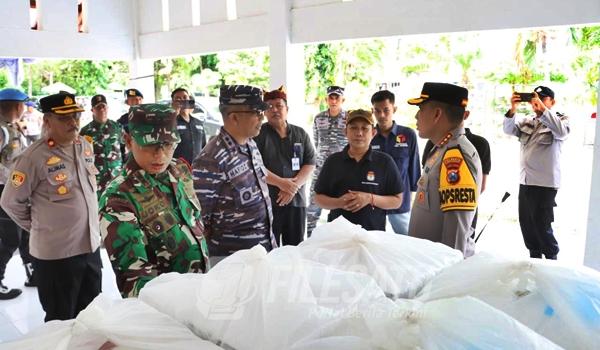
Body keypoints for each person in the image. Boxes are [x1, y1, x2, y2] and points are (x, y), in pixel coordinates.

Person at [0, 92, 102, 321]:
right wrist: (38, 226)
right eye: (65, 119)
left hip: (90, 248)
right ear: (47, 121)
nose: (73, 122)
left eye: (75, 116)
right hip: (57, 255)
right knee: (61, 320)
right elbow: (9, 201)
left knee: (93, 318)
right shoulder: (32, 158)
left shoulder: (85, 146)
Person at [99, 104, 209, 298]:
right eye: (149, 145)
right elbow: (134, 278)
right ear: (128, 141)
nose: (160, 155)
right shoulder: (119, 197)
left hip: (201, 293)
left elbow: (195, 222)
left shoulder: (180, 171)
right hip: (166, 308)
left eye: (167, 145)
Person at [193, 85, 277, 265]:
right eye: (257, 112)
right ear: (234, 117)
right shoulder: (211, 159)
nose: (262, 118)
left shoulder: (250, 144)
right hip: (232, 263)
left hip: (262, 252)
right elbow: (200, 220)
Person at [407, 82, 482, 258]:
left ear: (437, 114)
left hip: (439, 269)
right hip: (426, 262)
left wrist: (446, 279)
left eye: (421, 109)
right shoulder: (441, 148)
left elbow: (455, 236)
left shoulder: (455, 157)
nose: (417, 116)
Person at [503, 86, 569, 260]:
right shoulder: (528, 120)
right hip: (526, 182)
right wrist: (512, 109)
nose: (537, 101)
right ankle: (534, 260)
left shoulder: (560, 119)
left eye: (542, 98)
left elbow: (562, 132)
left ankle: (552, 260)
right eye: (535, 98)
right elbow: (508, 130)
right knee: (527, 225)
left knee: (542, 226)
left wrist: (544, 111)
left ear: (552, 102)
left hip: (544, 184)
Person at [314, 109, 403, 231]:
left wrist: (370, 198)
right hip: (338, 235)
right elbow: (318, 198)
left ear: (373, 133)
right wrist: (339, 202)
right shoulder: (333, 161)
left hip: (373, 235)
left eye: (365, 128)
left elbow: (397, 201)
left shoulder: (385, 162)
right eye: (353, 128)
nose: (359, 133)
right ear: (345, 131)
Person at [254, 86, 316, 245]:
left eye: (279, 106)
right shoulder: (258, 134)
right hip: (267, 204)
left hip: (296, 202)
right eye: (269, 107)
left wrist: (293, 187)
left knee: (295, 249)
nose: (274, 110)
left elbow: (310, 163)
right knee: (268, 249)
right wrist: (282, 183)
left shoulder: (300, 133)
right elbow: (254, 165)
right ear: (264, 112)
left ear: (287, 109)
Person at [0, 88, 35, 300]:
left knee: (26, 234)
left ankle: (33, 274)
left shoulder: (12, 127)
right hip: (3, 190)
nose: (24, 109)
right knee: (10, 239)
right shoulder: (2, 130)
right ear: (15, 106)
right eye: (23, 105)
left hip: (15, 188)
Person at [370, 90, 421, 235]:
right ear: (372, 111)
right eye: (377, 111)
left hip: (401, 202)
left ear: (394, 109)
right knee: (374, 241)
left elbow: (414, 167)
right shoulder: (369, 136)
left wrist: (413, 197)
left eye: (386, 110)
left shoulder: (407, 135)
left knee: (406, 240)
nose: (382, 115)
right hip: (374, 201)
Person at [306, 85, 348, 236]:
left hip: (342, 168)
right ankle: (310, 236)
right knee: (313, 205)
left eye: (337, 97)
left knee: (341, 204)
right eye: (331, 97)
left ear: (343, 99)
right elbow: (316, 142)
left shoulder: (348, 118)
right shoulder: (319, 118)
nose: (334, 100)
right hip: (321, 167)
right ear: (326, 99)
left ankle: (337, 237)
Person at [80, 94, 124, 198]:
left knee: (117, 203)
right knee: (98, 206)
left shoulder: (116, 127)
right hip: (97, 178)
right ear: (92, 110)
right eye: (98, 107)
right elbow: (82, 157)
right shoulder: (85, 131)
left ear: (107, 108)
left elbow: (125, 149)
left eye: (103, 106)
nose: (102, 109)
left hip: (116, 175)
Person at [170, 87, 207, 164]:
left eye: (185, 97)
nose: (182, 100)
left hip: (197, 167)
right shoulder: (170, 121)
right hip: (177, 168)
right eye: (178, 99)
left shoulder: (198, 122)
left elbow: (204, 146)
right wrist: (174, 113)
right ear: (173, 102)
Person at [117, 88, 143, 161]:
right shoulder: (122, 120)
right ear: (128, 102)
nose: (137, 101)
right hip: (131, 157)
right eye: (134, 99)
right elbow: (119, 143)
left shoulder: (149, 117)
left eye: (139, 99)